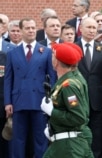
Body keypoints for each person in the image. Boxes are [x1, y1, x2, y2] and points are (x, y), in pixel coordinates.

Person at [4, 18, 57, 158]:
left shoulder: (45, 51)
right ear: (21, 30)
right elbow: (8, 80)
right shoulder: (12, 53)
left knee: (40, 138)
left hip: (39, 101)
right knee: (17, 139)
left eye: (33, 28)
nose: (31, 31)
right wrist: (8, 102)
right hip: (18, 101)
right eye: (27, 28)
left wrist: (51, 100)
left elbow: (51, 77)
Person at [40, 43, 93, 157]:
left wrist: (52, 112)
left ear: (56, 62)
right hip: (67, 140)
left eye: (53, 55)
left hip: (69, 144)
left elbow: (77, 117)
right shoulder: (71, 78)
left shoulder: (68, 85)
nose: (51, 57)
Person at [75, 17, 102, 158]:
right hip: (77, 100)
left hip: (98, 101)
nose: (92, 31)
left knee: (97, 135)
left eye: (94, 28)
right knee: (78, 134)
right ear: (81, 28)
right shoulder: (73, 48)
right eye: (89, 27)